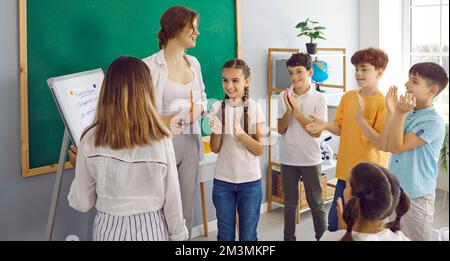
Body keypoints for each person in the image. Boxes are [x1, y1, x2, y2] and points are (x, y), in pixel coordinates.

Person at [68, 56, 188, 241]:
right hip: (152, 230)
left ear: (107, 91)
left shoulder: (90, 138)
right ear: (147, 92)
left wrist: (80, 167)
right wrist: (179, 236)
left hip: (108, 231)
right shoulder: (161, 138)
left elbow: (82, 202)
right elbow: (172, 199)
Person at [306, 47, 390, 232]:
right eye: (356, 69)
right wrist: (326, 125)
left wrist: (361, 118)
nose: (358, 74)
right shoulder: (348, 97)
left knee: (361, 228)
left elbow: (380, 143)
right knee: (335, 225)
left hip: (369, 178)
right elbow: (340, 129)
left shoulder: (383, 103)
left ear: (379, 72)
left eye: (364, 69)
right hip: (345, 173)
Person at [142, 6, 208, 238]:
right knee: (160, 205)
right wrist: (168, 119)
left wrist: (199, 109)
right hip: (160, 143)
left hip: (190, 141)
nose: (196, 33)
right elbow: (138, 114)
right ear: (177, 27)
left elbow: (202, 97)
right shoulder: (148, 67)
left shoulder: (194, 63)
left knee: (185, 205)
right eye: (193, 27)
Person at [382, 62, 448, 240]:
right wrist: (392, 112)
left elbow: (397, 147)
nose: (406, 84)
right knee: (392, 236)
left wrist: (399, 114)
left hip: (417, 196)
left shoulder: (433, 121)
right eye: (408, 79)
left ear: (432, 90)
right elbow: (388, 144)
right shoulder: (408, 113)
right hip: (395, 190)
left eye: (414, 81)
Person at [209, 59, 265, 241]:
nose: (229, 85)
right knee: (225, 235)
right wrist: (217, 131)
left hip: (250, 183)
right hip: (223, 182)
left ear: (246, 81)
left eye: (235, 80)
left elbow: (259, 149)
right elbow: (215, 148)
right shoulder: (217, 107)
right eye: (225, 80)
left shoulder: (255, 108)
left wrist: (241, 134)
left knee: (248, 236)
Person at [277, 53, 327, 241]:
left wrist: (297, 112)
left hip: (310, 158)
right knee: (289, 204)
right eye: (291, 73)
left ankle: (321, 237)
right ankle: (288, 239)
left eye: (299, 72)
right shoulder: (283, 96)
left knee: (316, 203)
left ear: (310, 72)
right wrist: (289, 110)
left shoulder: (318, 98)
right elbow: (281, 129)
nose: (294, 77)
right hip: (288, 157)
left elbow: (316, 132)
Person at [321, 162, 411, 241]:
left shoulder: (330, 238)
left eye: (347, 185)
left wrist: (342, 232)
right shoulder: (402, 238)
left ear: (353, 197)